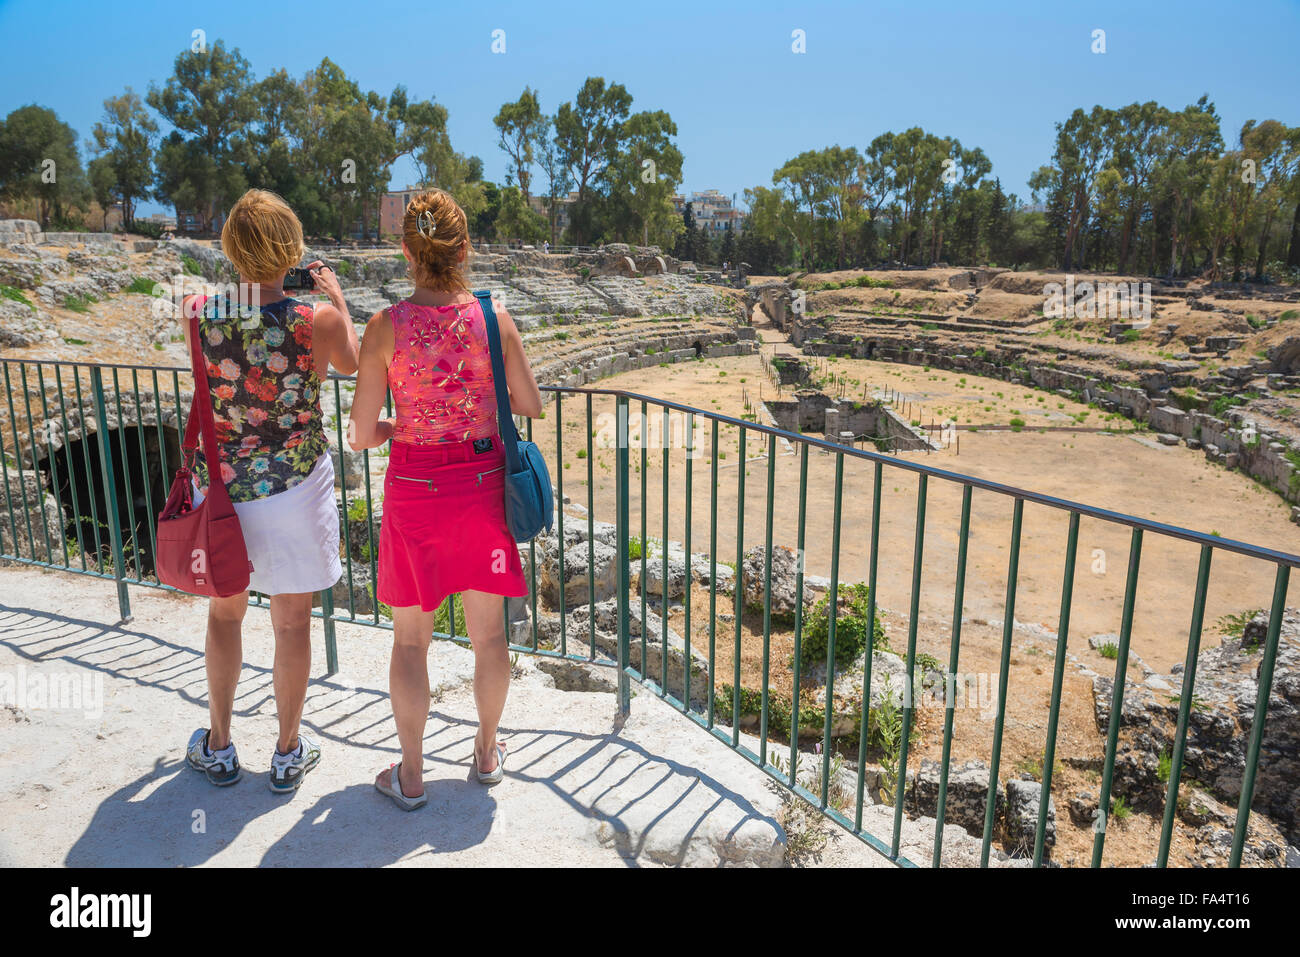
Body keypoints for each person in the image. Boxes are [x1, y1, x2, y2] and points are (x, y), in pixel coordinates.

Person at [348, 188, 542, 809]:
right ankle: (486, 753)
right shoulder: (494, 319)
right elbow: (531, 405)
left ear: (406, 250)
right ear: (466, 249)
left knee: (410, 642)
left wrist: (401, 427)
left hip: (415, 491)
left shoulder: (385, 327)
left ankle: (410, 776)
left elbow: (359, 432)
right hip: (482, 492)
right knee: (490, 639)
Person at [181, 188, 360, 792]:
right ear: (293, 248)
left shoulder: (196, 313)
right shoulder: (319, 321)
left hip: (226, 491)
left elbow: (212, 386)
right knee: (291, 624)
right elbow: (354, 364)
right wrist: (333, 293)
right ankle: (286, 752)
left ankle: (220, 744)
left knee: (225, 616)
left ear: (232, 246)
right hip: (296, 486)